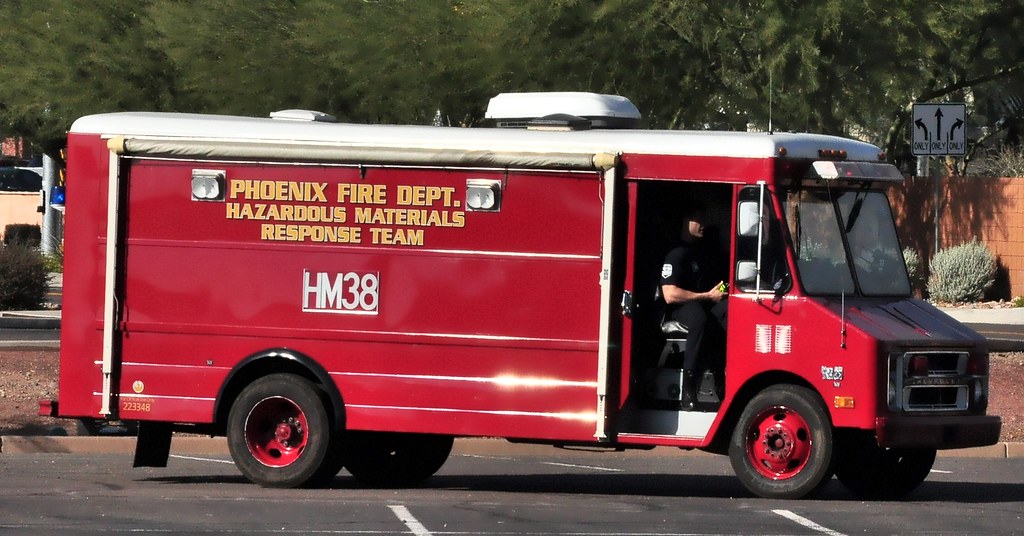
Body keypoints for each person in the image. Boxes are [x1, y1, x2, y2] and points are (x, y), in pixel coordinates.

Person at [659, 202, 728, 410]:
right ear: (685, 221)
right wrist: (706, 296)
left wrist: (721, 289)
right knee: (700, 318)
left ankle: (722, 378)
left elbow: (717, 281)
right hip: (682, 307)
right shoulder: (675, 253)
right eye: (698, 220)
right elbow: (669, 295)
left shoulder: (701, 251)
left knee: (729, 312)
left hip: (703, 300)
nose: (703, 224)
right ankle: (688, 388)